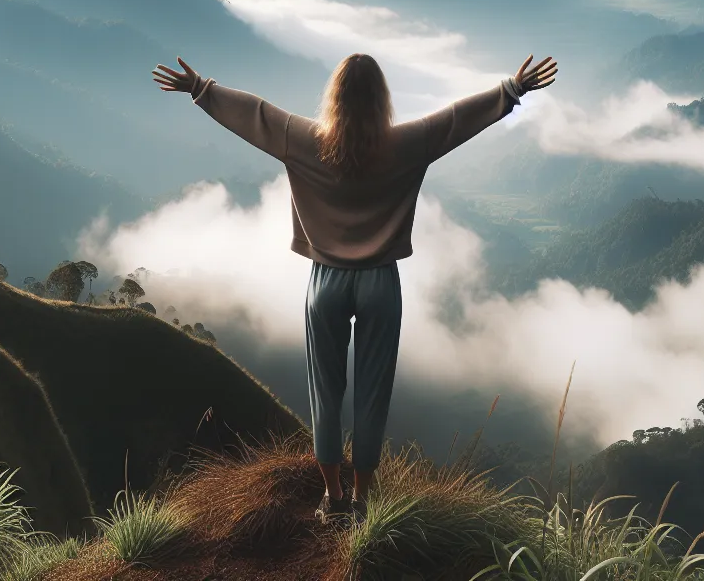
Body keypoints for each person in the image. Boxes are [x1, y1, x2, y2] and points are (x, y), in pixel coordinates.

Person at [151, 52, 558, 525]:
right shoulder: (408, 143)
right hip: (380, 282)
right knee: (372, 393)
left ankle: (333, 497)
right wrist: (512, 89)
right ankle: (362, 500)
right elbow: (455, 120)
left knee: (325, 392)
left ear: (335, 98)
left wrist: (200, 87)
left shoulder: (302, 140)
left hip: (325, 281)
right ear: (382, 100)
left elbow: (254, 114)